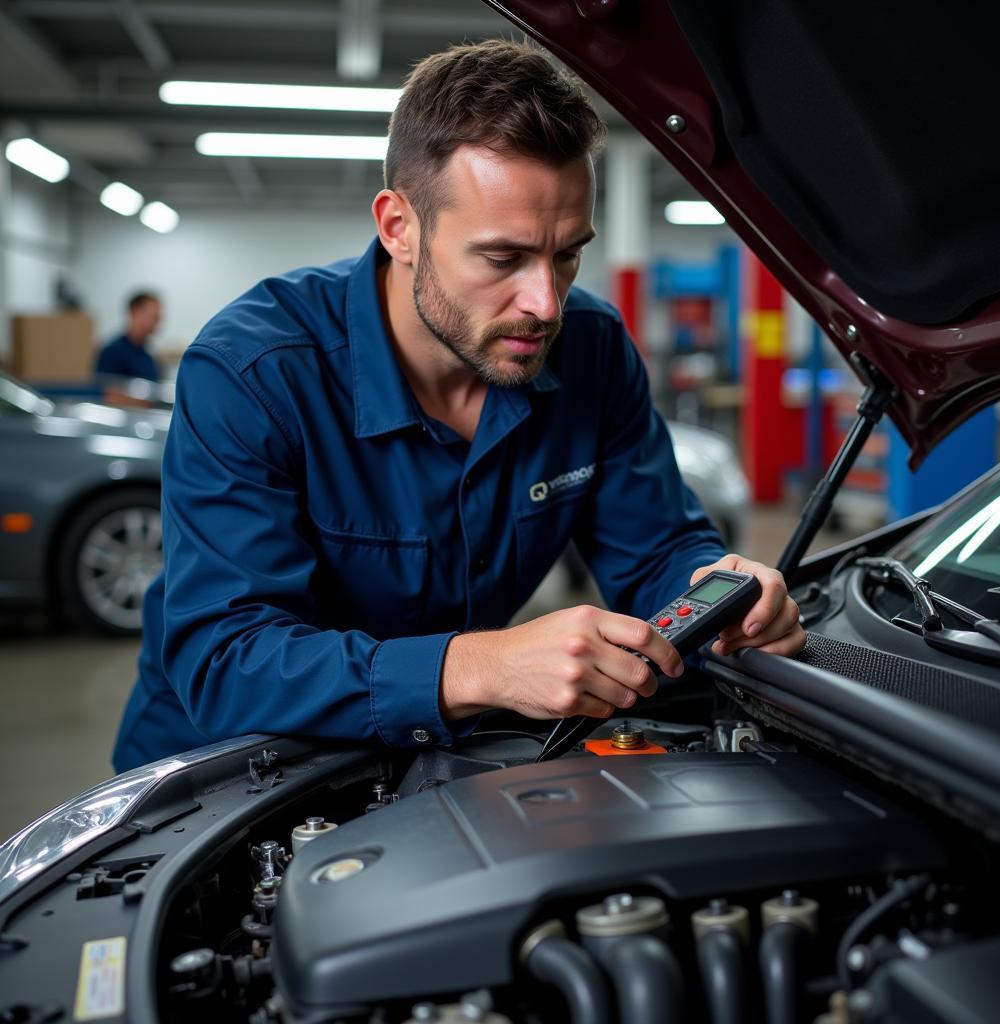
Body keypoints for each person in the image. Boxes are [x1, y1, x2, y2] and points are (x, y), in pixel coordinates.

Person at [112, 40, 804, 773]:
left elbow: (658, 550)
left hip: (428, 763)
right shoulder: (253, 372)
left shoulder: (593, 351)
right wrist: (480, 667)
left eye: (567, 254)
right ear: (399, 228)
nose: (545, 303)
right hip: (219, 779)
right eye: (503, 258)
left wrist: (717, 594)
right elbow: (224, 658)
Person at [95, 291, 162, 390]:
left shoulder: (147, 356)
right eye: (154, 316)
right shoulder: (113, 352)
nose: (158, 321)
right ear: (134, 313)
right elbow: (108, 394)